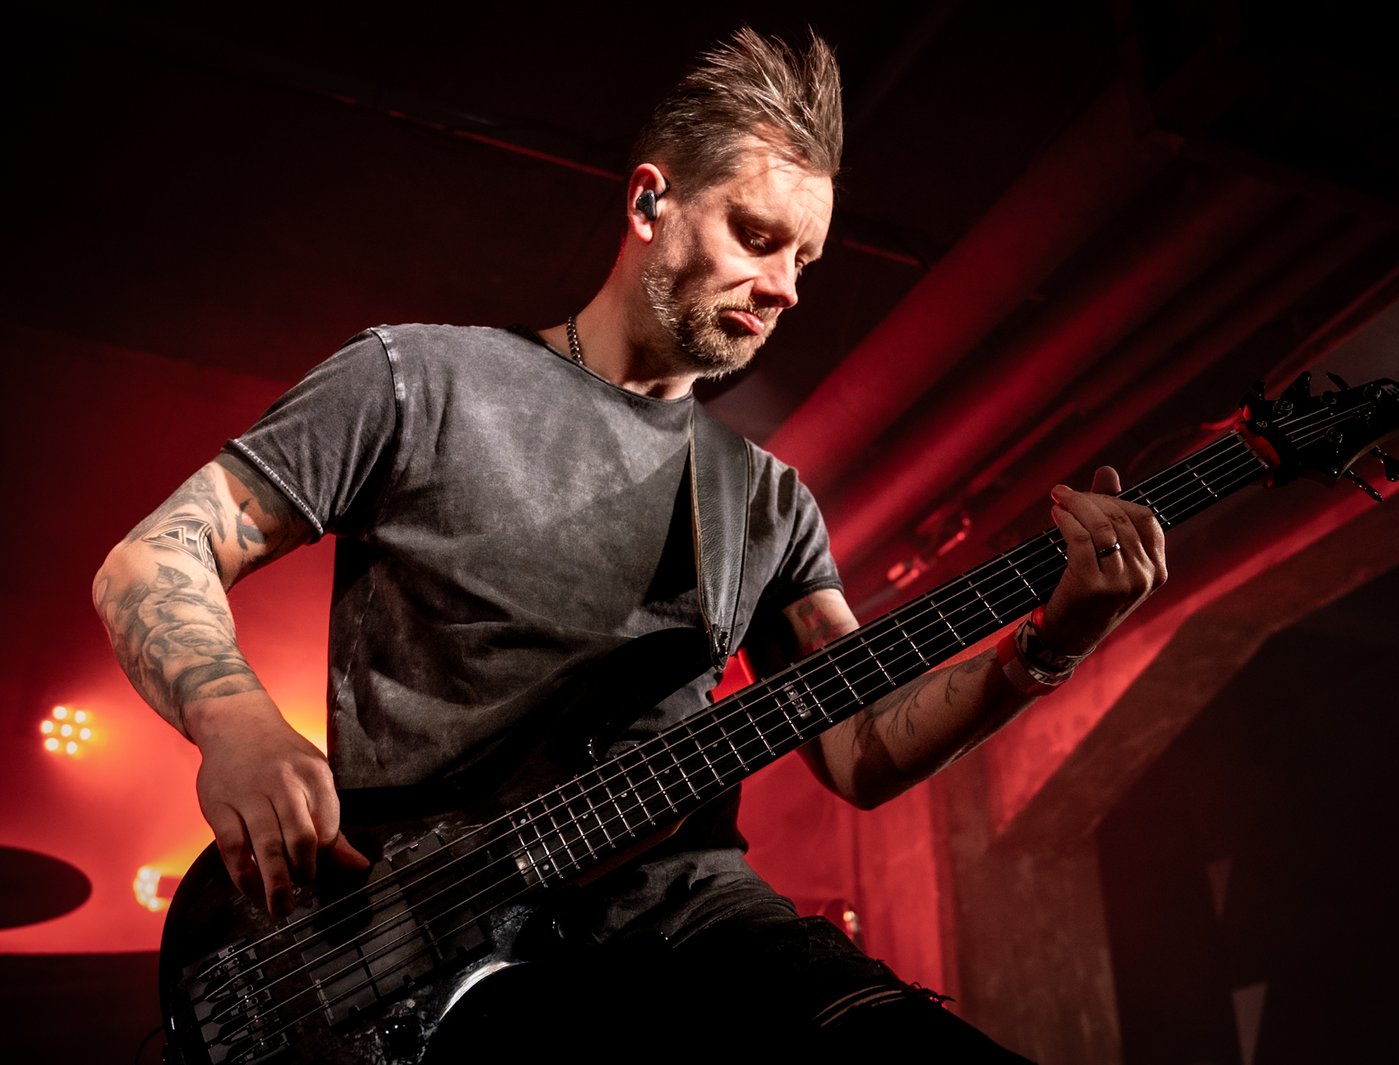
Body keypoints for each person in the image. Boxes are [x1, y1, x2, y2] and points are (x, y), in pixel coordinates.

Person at [94, 27, 1165, 1061]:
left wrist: (1047, 647)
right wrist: (236, 723)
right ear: (651, 202)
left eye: (804, 258)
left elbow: (859, 746)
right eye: (757, 237)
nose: (786, 286)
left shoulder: (764, 502)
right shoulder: (418, 380)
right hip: (415, 946)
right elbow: (156, 555)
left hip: (698, 928)